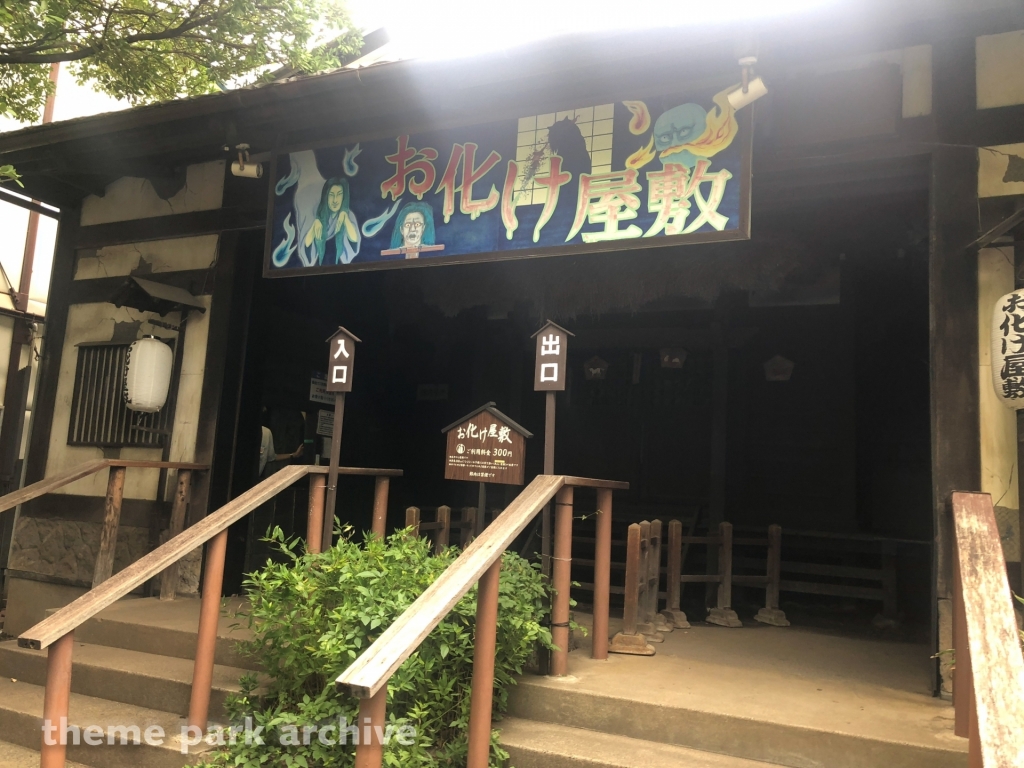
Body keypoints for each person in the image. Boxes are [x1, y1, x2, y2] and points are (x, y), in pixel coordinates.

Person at [303, 177, 360, 265]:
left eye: (339, 194)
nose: (335, 200)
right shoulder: (318, 215)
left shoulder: (349, 216)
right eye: (331, 195)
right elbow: (307, 247)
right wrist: (315, 224)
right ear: (326, 196)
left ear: (344, 197)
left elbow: (354, 245)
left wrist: (345, 219)